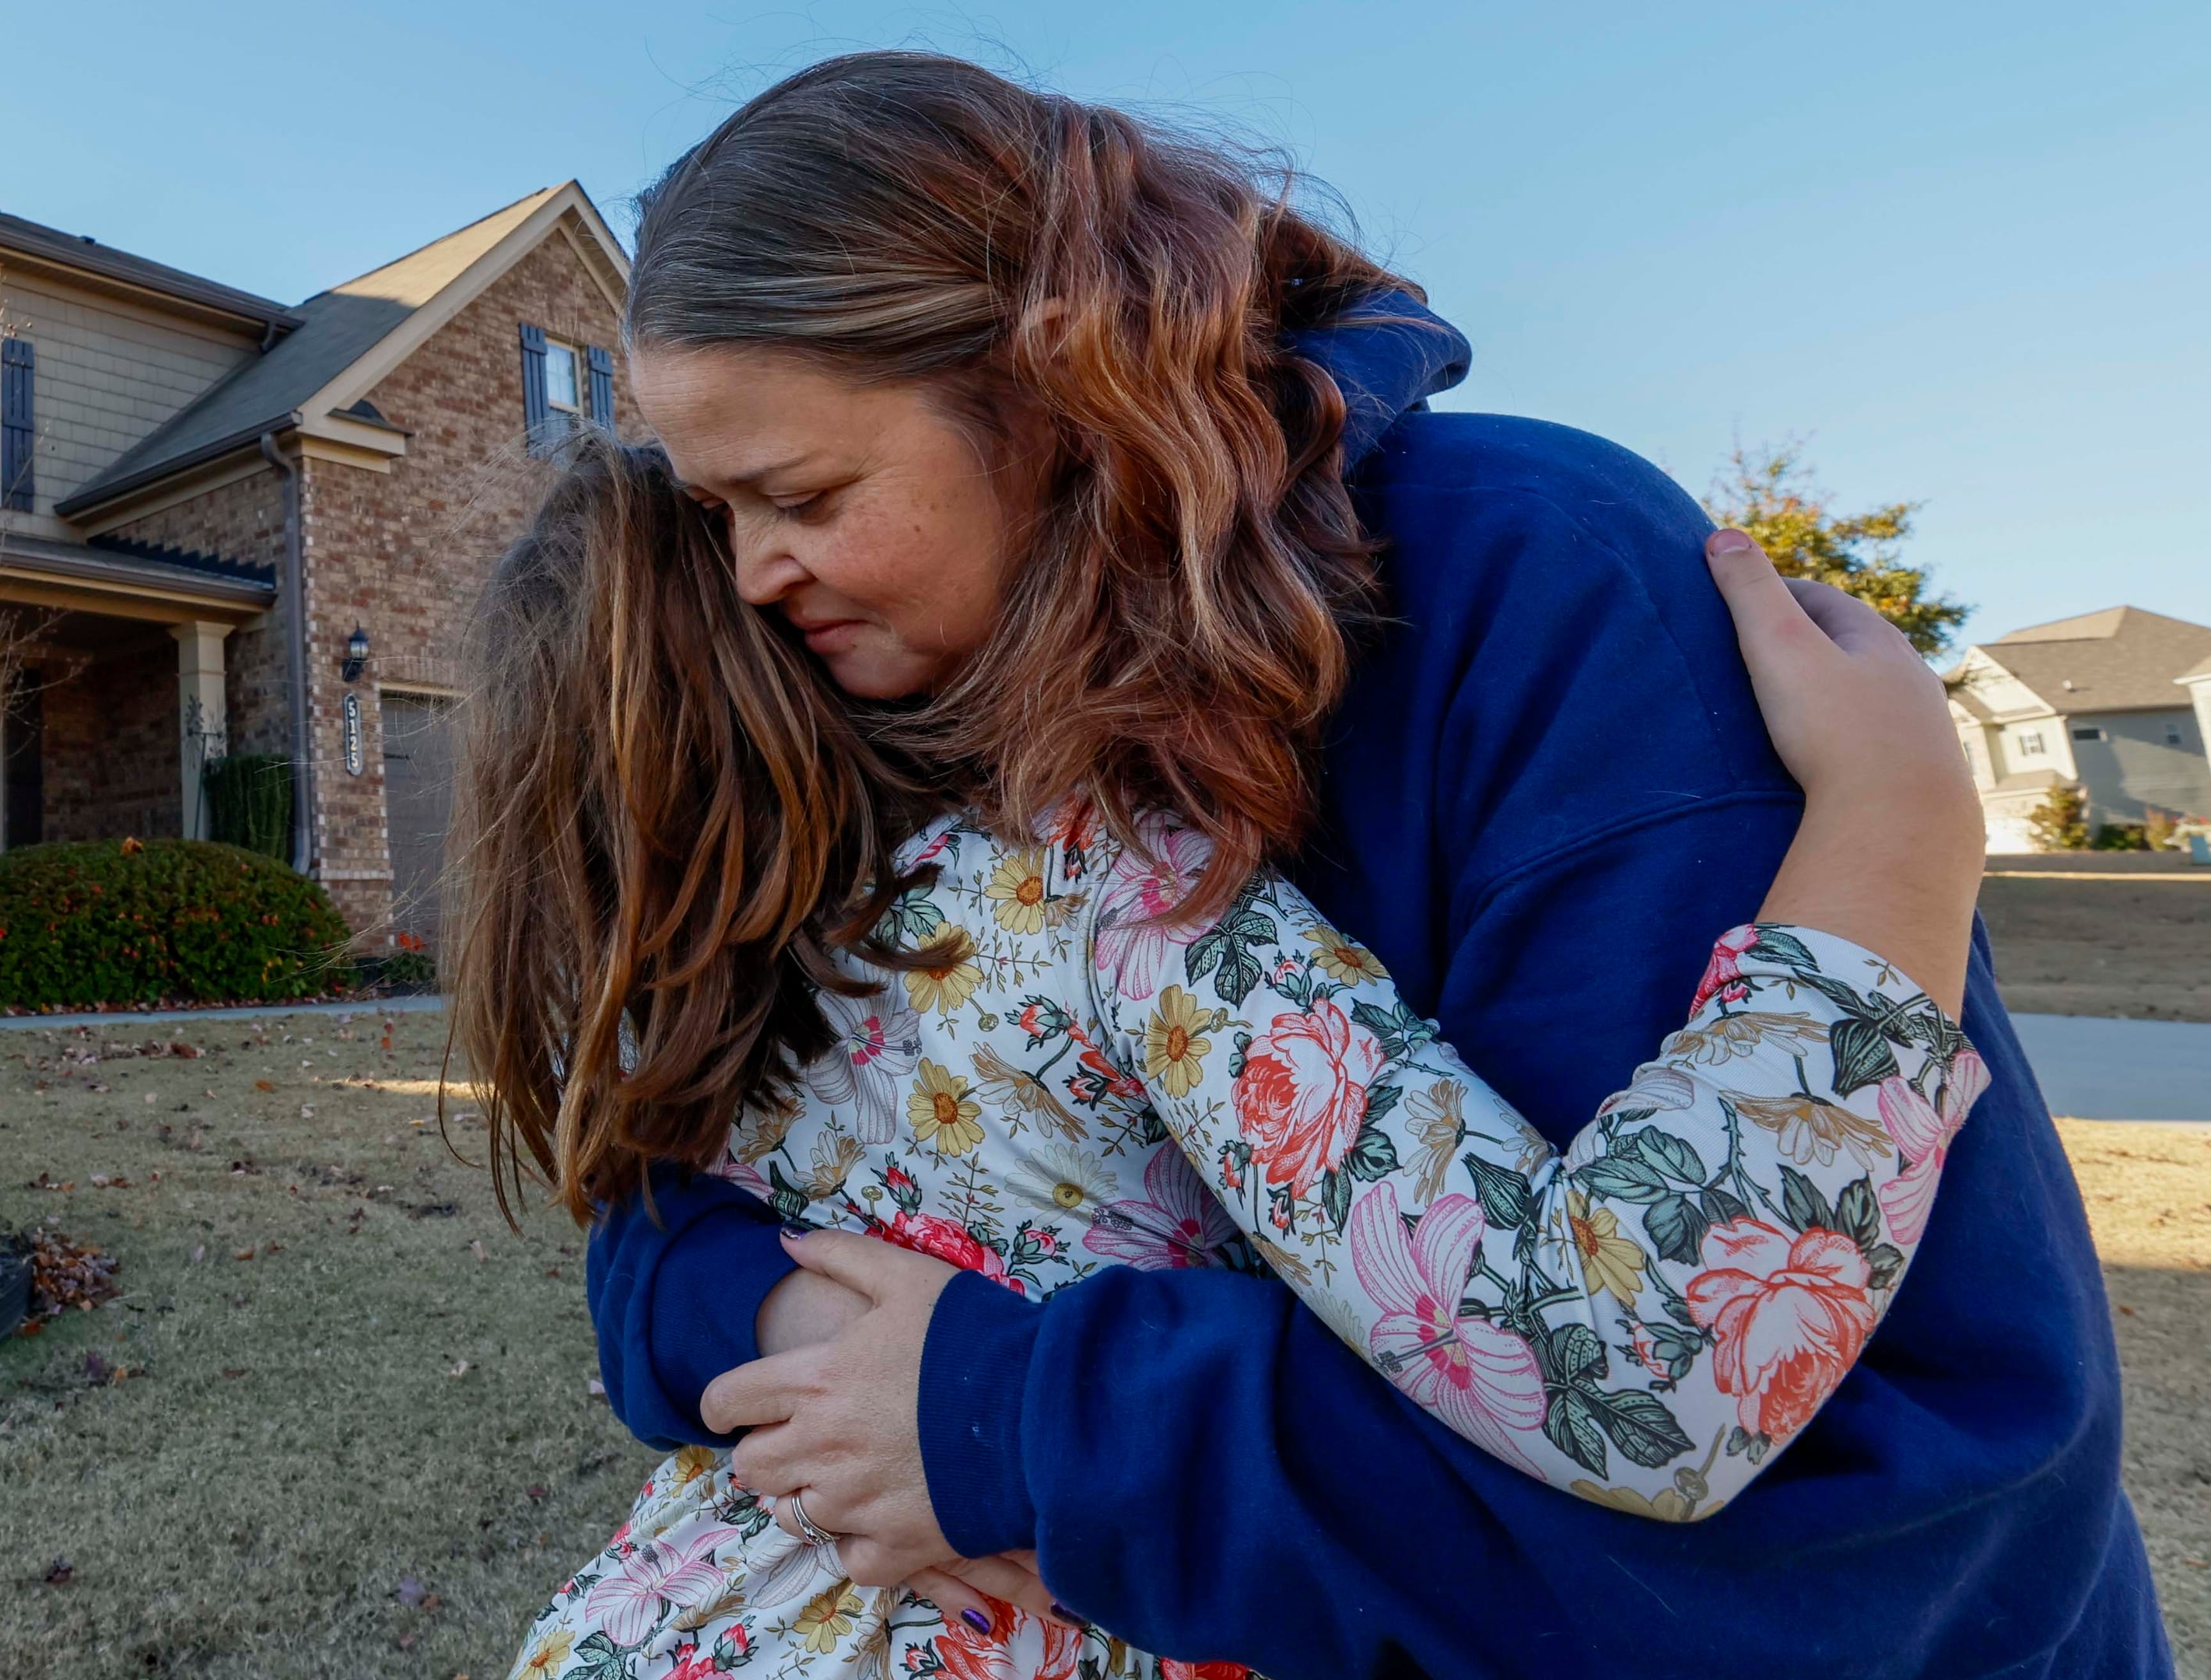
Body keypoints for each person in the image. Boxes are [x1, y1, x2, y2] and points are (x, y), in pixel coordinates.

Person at [553, 51, 2169, 1679]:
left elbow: (1765, 1427)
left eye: (804, 494)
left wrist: (1019, 1421)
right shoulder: (910, 679)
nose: (755, 574)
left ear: (1053, 377)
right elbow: (676, 1185)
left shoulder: (1531, 596)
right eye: (718, 514)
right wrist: (802, 1337)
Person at [454, 439, 1985, 1675]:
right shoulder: (1113, 890)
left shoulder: (674, 991)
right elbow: (1628, 1366)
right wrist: (1893, 852)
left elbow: (646, 1248)